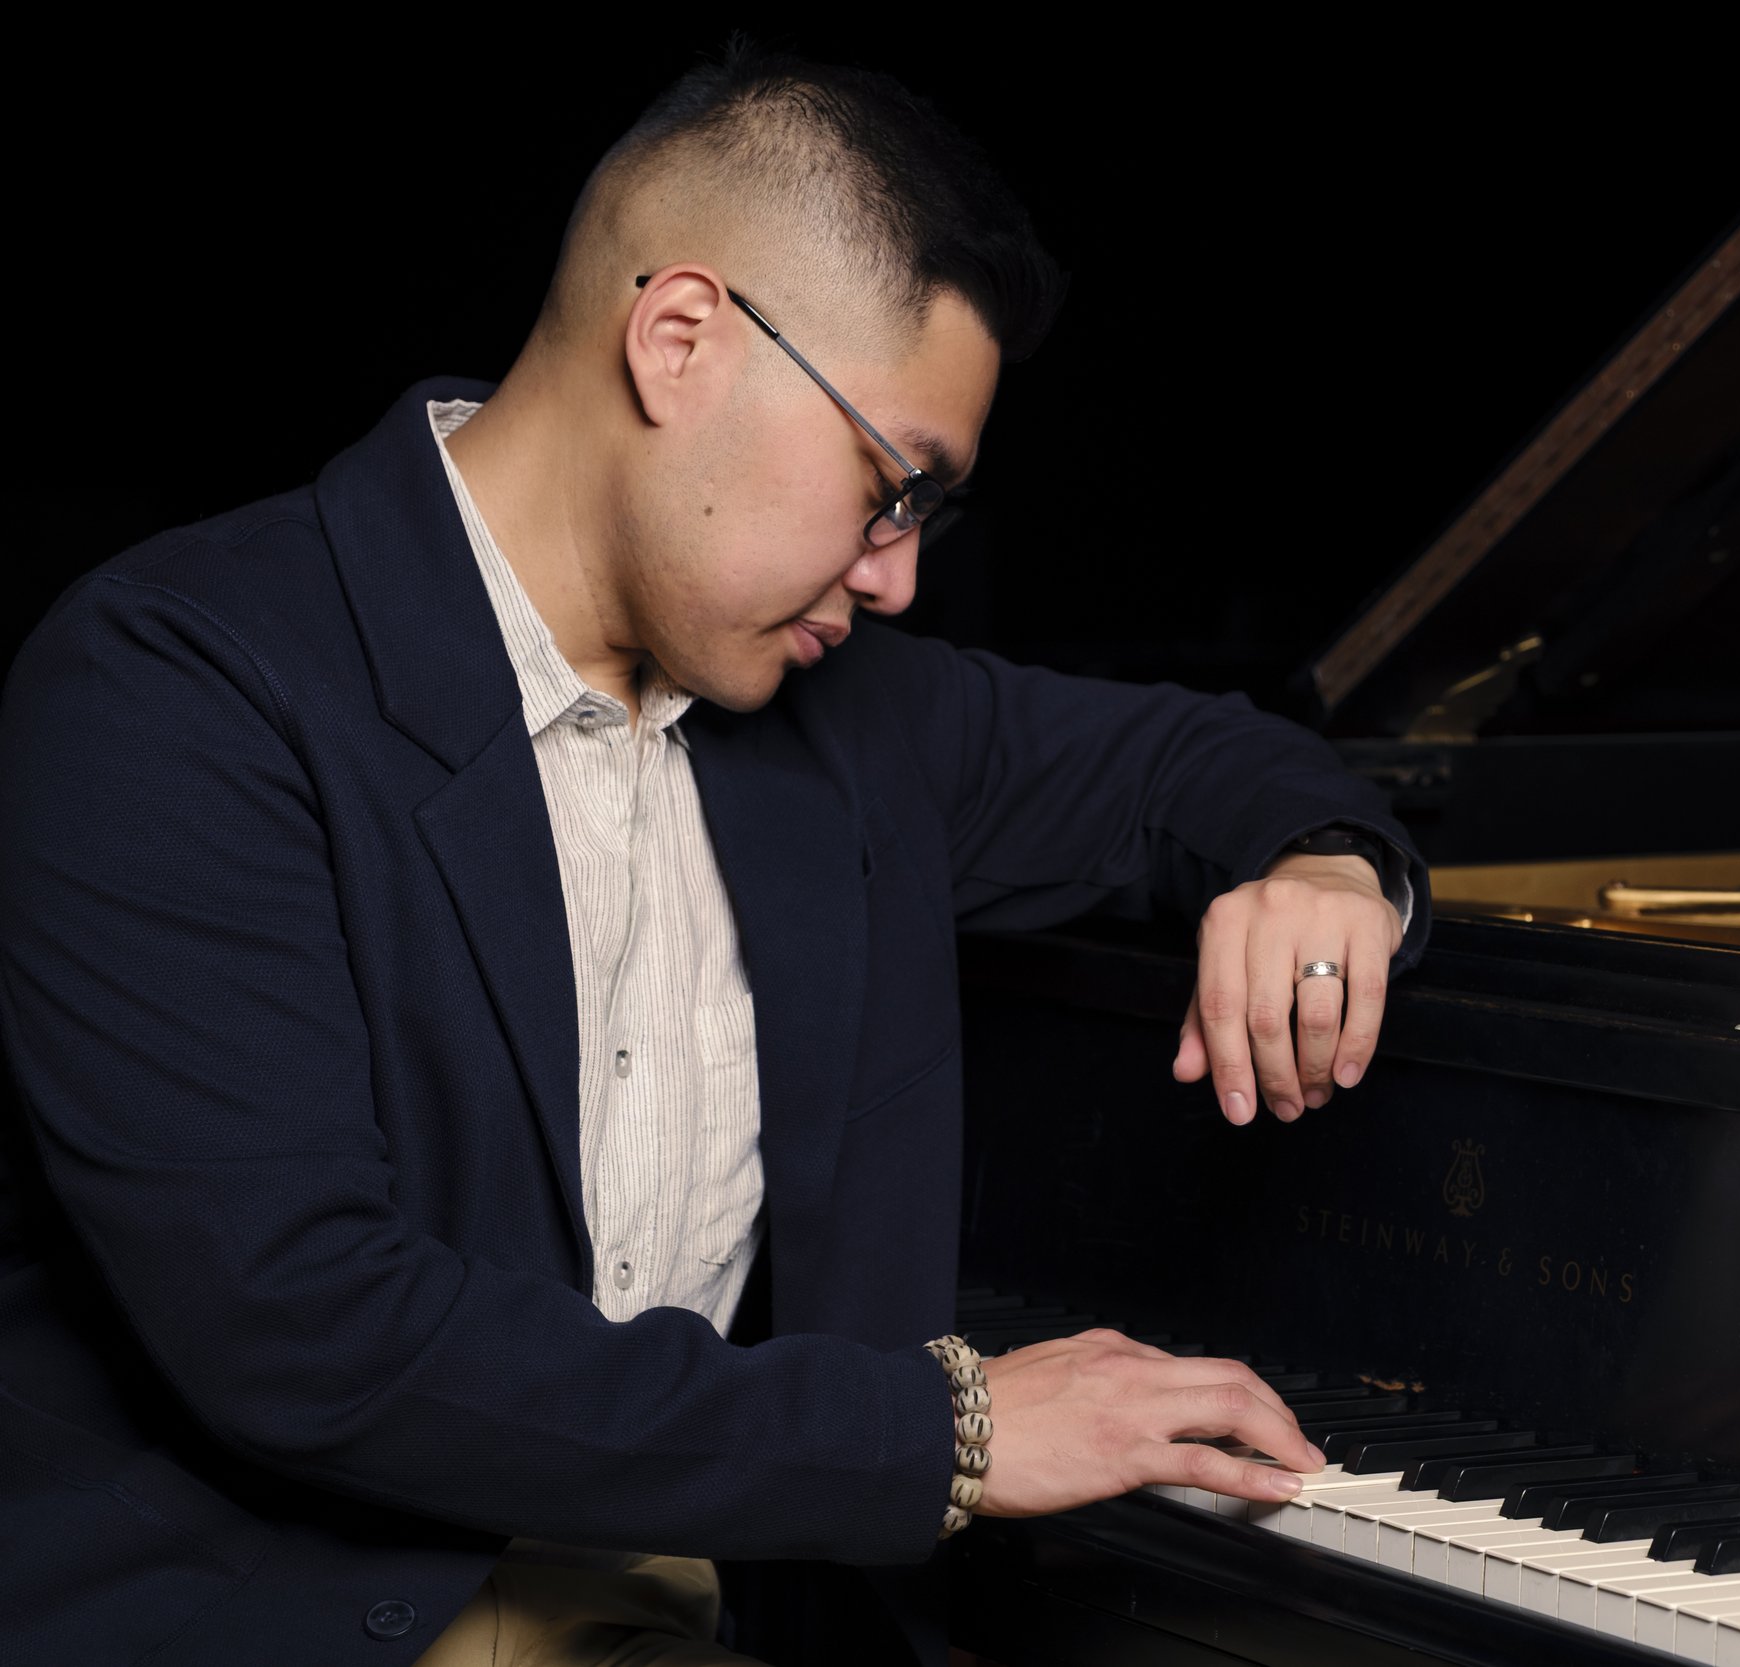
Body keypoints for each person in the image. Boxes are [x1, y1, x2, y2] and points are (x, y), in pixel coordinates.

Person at [0, 45, 1428, 1667]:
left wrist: (1325, 867)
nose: (895, 578)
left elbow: (1197, 762)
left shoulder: (851, 718)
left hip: (694, 1613)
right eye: (889, 486)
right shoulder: (174, 684)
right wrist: (944, 1435)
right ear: (680, 340)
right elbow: (307, 1333)